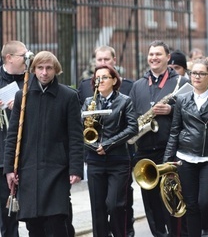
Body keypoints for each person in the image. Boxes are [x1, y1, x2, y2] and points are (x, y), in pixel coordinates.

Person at [3, 51, 84, 237]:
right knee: (34, 226)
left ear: (56, 70)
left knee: (57, 223)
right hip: (29, 169)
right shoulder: (22, 96)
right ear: (33, 70)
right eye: (40, 68)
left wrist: (75, 169)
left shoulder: (68, 96)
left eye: (49, 68)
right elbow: (13, 135)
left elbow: (75, 137)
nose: (44, 73)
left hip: (57, 170)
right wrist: (9, 169)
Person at [164, 58, 208, 237]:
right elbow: (174, 131)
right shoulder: (181, 100)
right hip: (185, 158)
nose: (196, 76)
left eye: (201, 73)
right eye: (193, 73)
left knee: (206, 202)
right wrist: (166, 161)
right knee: (191, 204)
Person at [129, 40, 189, 237]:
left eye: (158, 54)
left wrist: (172, 110)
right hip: (144, 152)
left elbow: (193, 114)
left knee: (172, 201)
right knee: (151, 203)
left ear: (168, 57)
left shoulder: (181, 82)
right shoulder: (138, 85)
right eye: (151, 54)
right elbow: (131, 117)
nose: (154, 58)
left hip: (170, 150)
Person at [77, 45, 135, 237]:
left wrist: (108, 144)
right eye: (97, 78)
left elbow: (132, 128)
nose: (100, 81)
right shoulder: (88, 102)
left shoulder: (125, 101)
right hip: (95, 160)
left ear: (114, 80)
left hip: (118, 160)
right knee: (98, 208)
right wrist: (94, 146)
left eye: (105, 77)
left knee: (115, 205)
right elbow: (80, 130)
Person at [0, 40, 30, 237]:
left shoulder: (31, 78)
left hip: (26, 155)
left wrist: (20, 107)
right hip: (2, 157)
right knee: (6, 213)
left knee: (30, 212)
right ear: (9, 58)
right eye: (23, 56)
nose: (28, 59)